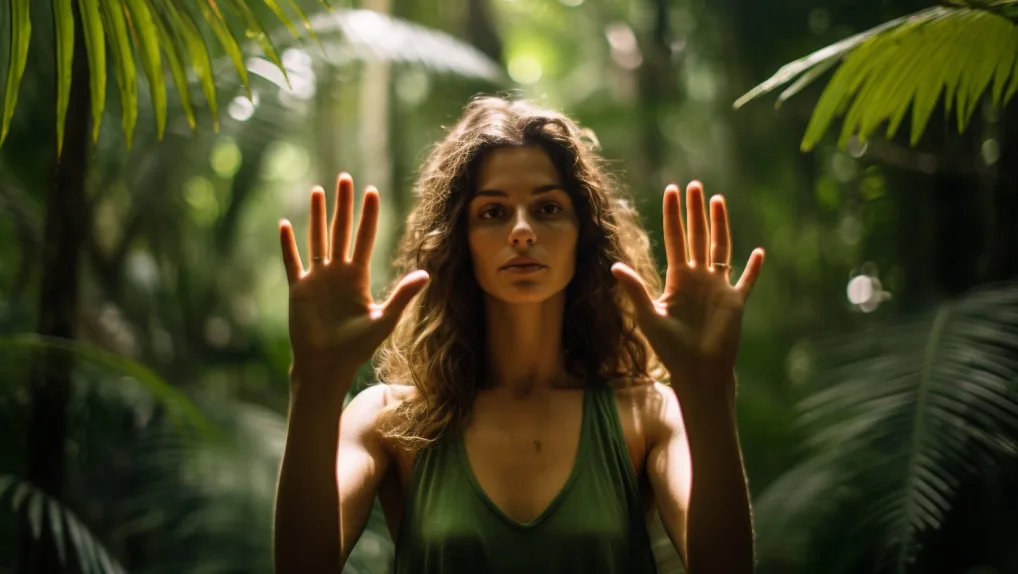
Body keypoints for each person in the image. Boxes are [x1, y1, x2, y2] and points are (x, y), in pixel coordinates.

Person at [273, 96, 764, 574]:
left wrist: (708, 385)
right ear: (459, 242)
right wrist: (316, 381)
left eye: (548, 208)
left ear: (584, 236)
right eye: (492, 212)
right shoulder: (390, 419)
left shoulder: (648, 415)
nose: (523, 231)